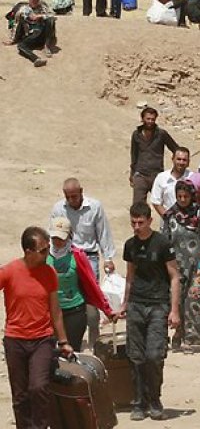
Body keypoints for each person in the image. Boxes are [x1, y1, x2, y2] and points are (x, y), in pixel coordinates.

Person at [0, 227, 75, 429]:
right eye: (42, 250)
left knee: (39, 387)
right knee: (20, 394)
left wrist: (64, 341)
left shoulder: (49, 273)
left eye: (47, 248)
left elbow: (55, 310)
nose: (47, 254)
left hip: (42, 339)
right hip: (15, 339)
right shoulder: (10, 271)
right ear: (28, 251)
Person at [118, 203, 180, 421]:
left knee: (154, 355)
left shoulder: (162, 243)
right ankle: (138, 402)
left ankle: (154, 399)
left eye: (140, 222)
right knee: (135, 357)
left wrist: (174, 310)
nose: (136, 227)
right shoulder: (130, 245)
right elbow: (130, 276)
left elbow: (174, 276)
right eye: (133, 222)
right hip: (136, 303)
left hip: (158, 304)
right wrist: (125, 303)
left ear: (149, 221)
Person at [50, 177, 117, 349]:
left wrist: (108, 258)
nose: (72, 200)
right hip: (64, 255)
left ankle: (95, 341)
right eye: (68, 197)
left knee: (90, 298)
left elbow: (103, 233)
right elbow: (54, 234)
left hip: (88, 257)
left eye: (75, 196)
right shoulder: (58, 209)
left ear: (81, 192)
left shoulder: (95, 207)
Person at [162, 181, 200, 353]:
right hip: (176, 266)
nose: (183, 199)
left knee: (195, 300)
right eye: (179, 196)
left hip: (199, 265)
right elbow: (164, 240)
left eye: (186, 196)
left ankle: (191, 339)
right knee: (177, 300)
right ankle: (178, 334)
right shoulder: (170, 216)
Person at [130, 104, 180, 205]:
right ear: (142, 118)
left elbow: (175, 149)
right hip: (140, 175)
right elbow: (134, 155)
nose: (150, 121)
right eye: (148, 119)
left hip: (157, 175)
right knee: (138, 205)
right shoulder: (136, 134)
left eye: (153, 119)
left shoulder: (161, 134)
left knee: (164, 204)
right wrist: (132, 174)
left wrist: (177, 164)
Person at [9, 0, 57, 68]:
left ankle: (46, 46)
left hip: (43, 34)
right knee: (21, 46)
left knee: (50, 20)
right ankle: (36, 59)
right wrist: (13, 39)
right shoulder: (23, 10)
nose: (35, 1)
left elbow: (53, 16)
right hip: (31, 35)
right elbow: (16, 24)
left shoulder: (43, 7)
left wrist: (40, 16)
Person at [151, 147, 194, 217]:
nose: (181, 162)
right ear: (173, 159)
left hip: (189, 222)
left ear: (188, 162)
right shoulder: (161, 177)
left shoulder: (193, 178)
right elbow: (156, 202)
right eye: (179, 159)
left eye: (184, 160)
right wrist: (168, 218)